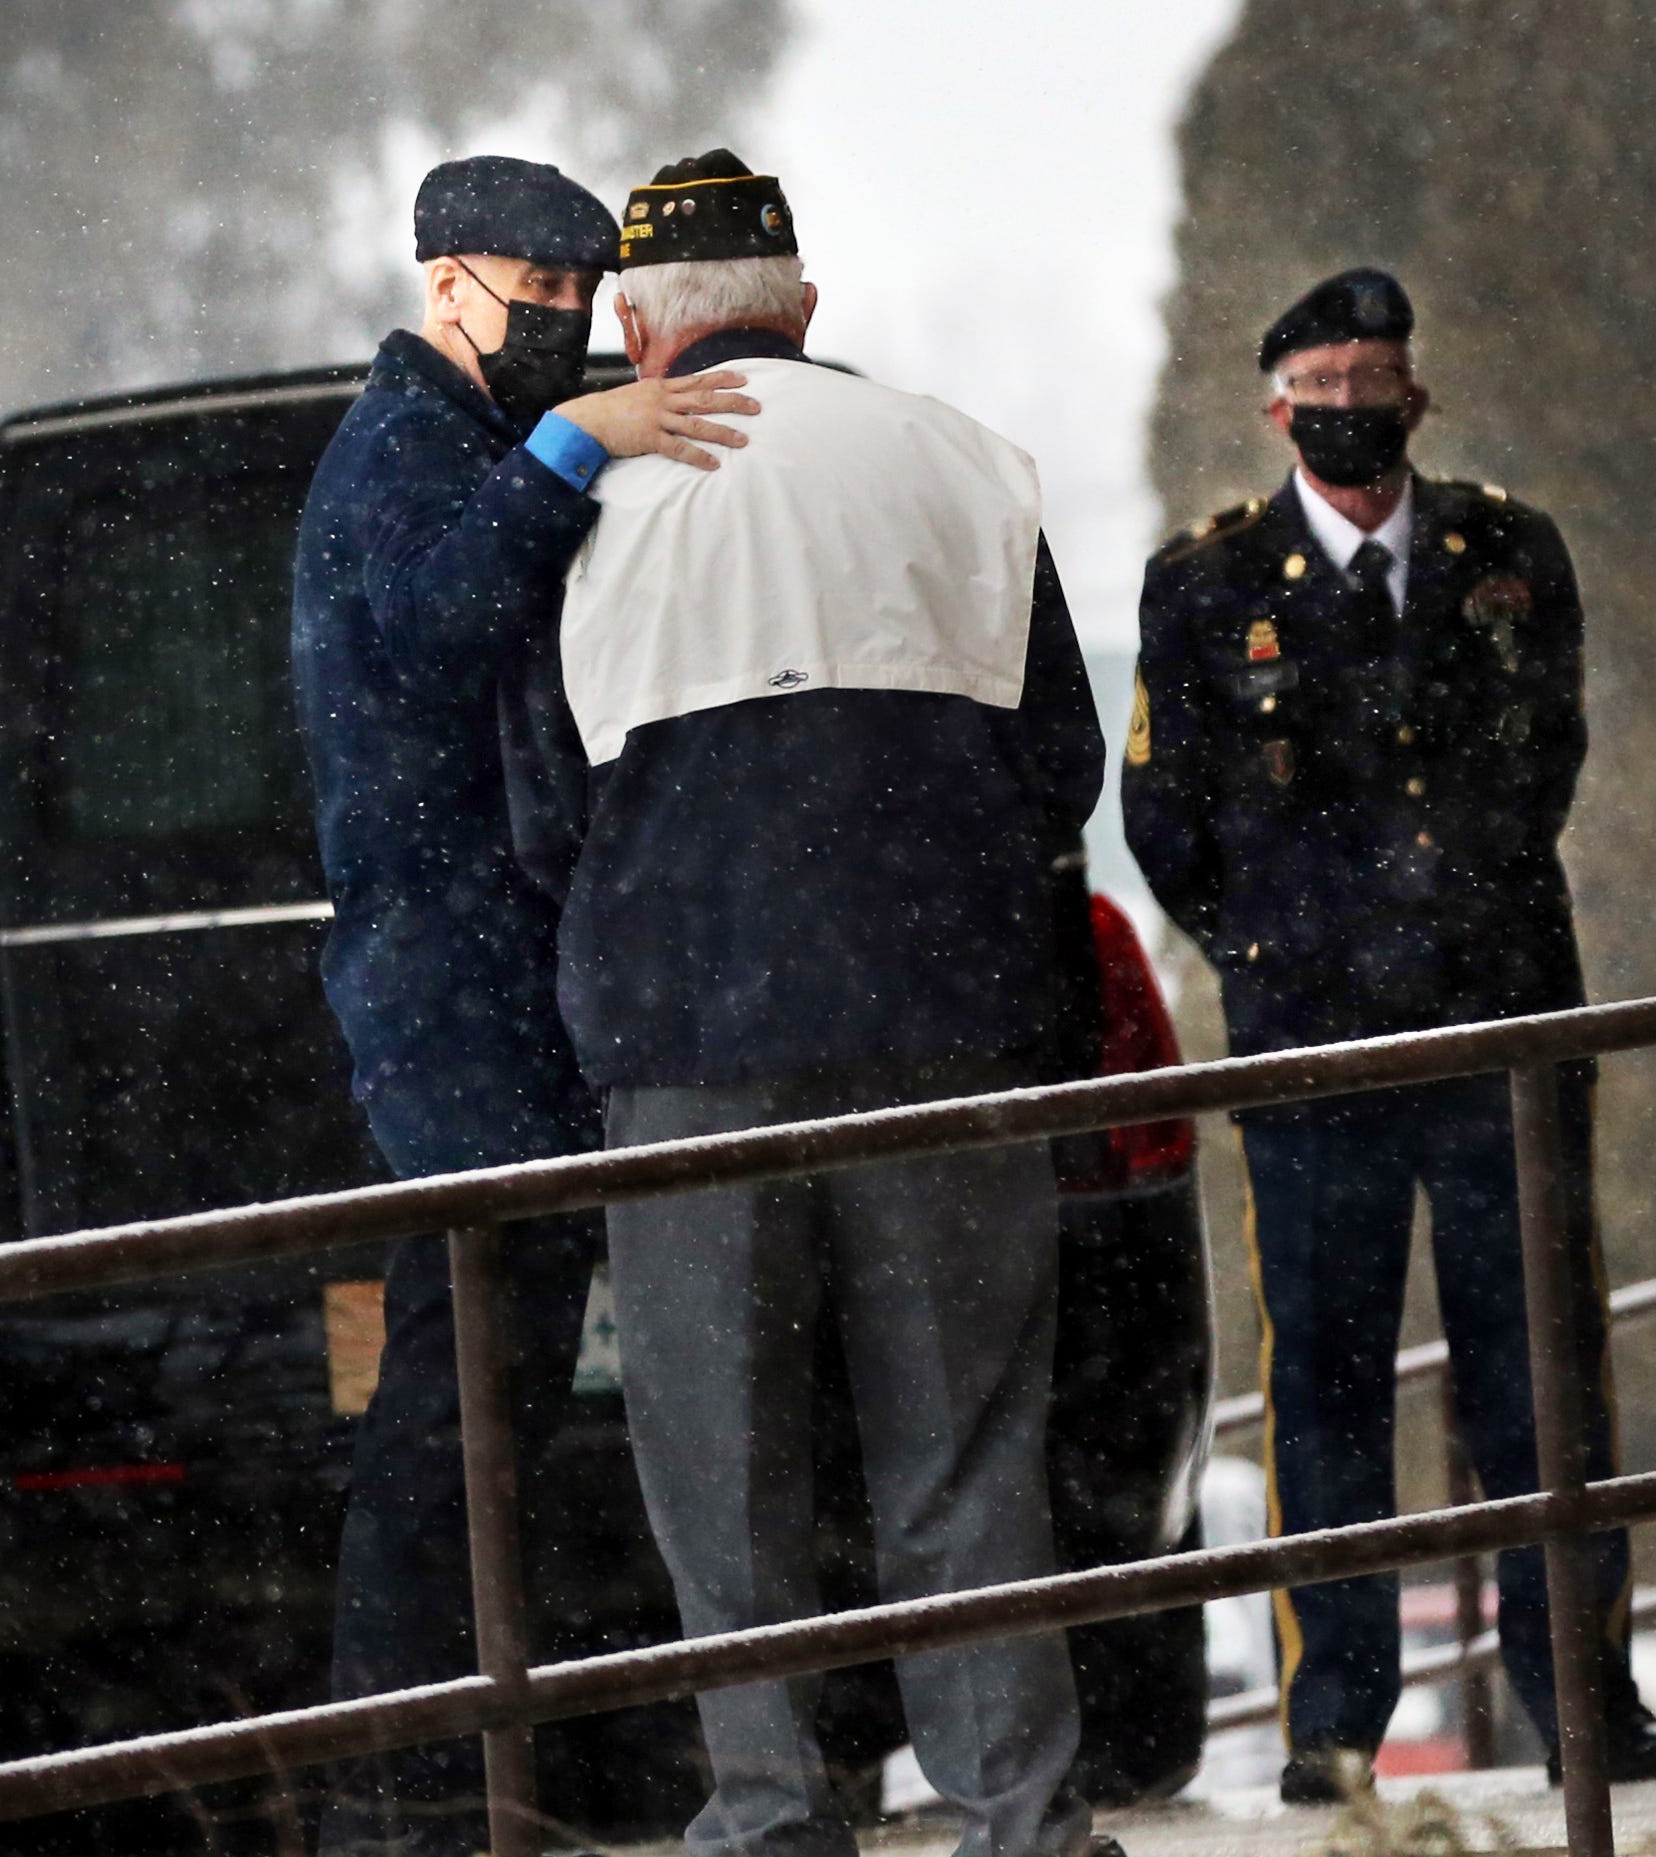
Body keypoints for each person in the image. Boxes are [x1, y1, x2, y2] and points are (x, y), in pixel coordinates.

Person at [521, 149, 1109, 1857]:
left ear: (636, 331)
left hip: (690, 1052)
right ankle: (1025, 1815)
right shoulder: (964, 465)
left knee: (725, 1475)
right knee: (967, 1457)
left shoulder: (586, 510)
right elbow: (1056, 761)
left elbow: (539, 810)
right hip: (940, 1033)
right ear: (803, 310)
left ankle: (774, 1811)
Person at [1123, 267, 1656, 1803]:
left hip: (1498, 1026)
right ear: (1274, 403)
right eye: (1324, 380)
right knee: (1327, 1385)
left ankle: (1579, 1688)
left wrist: (1443, 928)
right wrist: (1298, 958)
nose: (1353, 403)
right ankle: (1334, 1720)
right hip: (1317, 1053)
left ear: (1417, 392)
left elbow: (1540, 759)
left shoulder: (1509, 551)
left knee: (1540, 1372)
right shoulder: (1212, 581)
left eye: (1377, 375)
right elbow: (1166, 821)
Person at [289, 153, 756, 1857]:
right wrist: (581, 448)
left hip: (509, 993)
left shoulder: (464, 441)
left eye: (579, 309)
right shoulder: (404, 451)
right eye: (531, 303)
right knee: (458, 1411)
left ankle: (455, 1779)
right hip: (456, 1004)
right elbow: (428, 634)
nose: (557, 333)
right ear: (445, 289)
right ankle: (408, 1798)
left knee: (491, 1410)